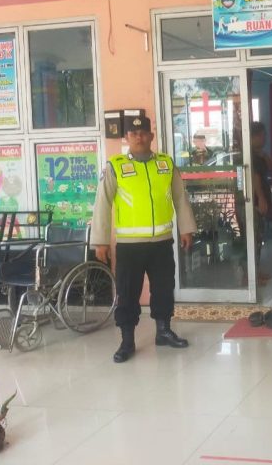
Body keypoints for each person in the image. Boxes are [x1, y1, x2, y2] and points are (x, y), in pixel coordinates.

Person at [91, 115, 197, 363]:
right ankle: (127, 341)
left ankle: (163, 331)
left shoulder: (165, 164)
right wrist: (101, 241)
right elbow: (102, 204)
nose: (138, 137)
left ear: (151, 136)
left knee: (164, 288)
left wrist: (186, 228)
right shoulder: (115, 166)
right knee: (128, 293)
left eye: (143, 133)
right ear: (126, 138)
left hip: (161, 243)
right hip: (130, 246)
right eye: (133, 133)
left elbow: (180, 197)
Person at [250, 121, 272, 278]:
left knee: (259, 236)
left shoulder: (260, 155)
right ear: (254, 137)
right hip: (254, 201)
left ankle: (255, 271)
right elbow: (255, 177)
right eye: (262, 135)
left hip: (260, 198)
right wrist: (261, 198)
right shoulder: (250, 156)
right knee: (254, 237)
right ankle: (251, 274)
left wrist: (265, 155)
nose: (264, 138)